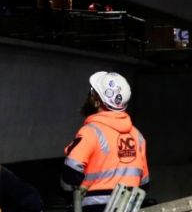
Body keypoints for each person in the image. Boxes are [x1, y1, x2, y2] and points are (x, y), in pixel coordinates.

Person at [61, 71, 148, 211]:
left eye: (92, 92)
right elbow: (144, 183)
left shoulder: (90, 132)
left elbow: (70, 174)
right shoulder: (137, 136)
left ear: (96, 100)